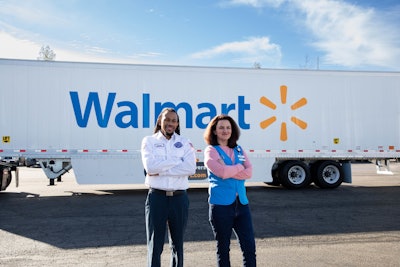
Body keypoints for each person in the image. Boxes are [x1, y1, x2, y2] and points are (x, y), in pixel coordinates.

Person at [141, 108, 197, 267]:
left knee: (177, 245)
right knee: (155, 245)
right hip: (156, 198)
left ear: (177, 123)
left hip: (179, 199)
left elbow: (190, 168)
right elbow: (150, 168)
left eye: (174, 120)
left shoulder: (185, 142)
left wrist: (162, 169)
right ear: (160, 121)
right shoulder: (149, 141)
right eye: (167, 119)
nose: (170, 123)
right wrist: (177, 161)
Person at [203, 114, 256, 267]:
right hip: (221, 206)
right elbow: (222, 173)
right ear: (214, 131)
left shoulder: (239, 149)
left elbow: (250, 172)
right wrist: (239, 167)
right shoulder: (211, 151)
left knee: (249, 248)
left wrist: (229, 168)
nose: (225, 130)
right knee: (223, 250)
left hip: (242, 205)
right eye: (221, 127)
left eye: (228, 127)